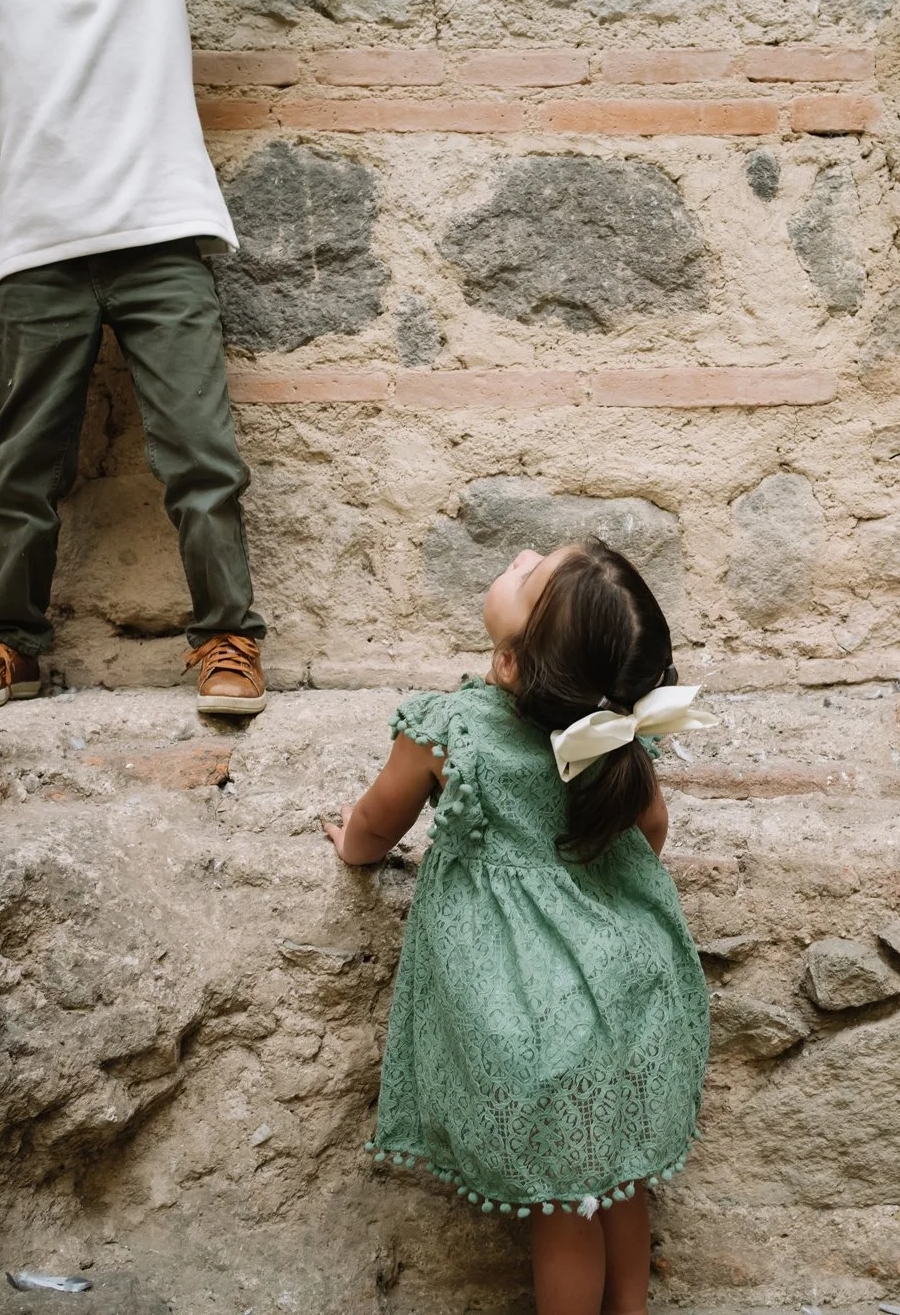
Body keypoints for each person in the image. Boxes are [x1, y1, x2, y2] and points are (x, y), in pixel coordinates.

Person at [325, 540, 714, 1315]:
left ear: (509, 663)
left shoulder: (448, 732)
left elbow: (377, 821)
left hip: (528, 1008)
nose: (521, 554)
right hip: (628, 979)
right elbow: (653, 833)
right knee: (620, 1175)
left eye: (528, 574)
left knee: (566, 1204)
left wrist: (350, 845)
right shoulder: (617, 732)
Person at [0, 0, 269, 715]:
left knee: (201, 452)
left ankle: (227, 636)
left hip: (162, 231)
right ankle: (8, 641)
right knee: (21, 465)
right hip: (39, 247)